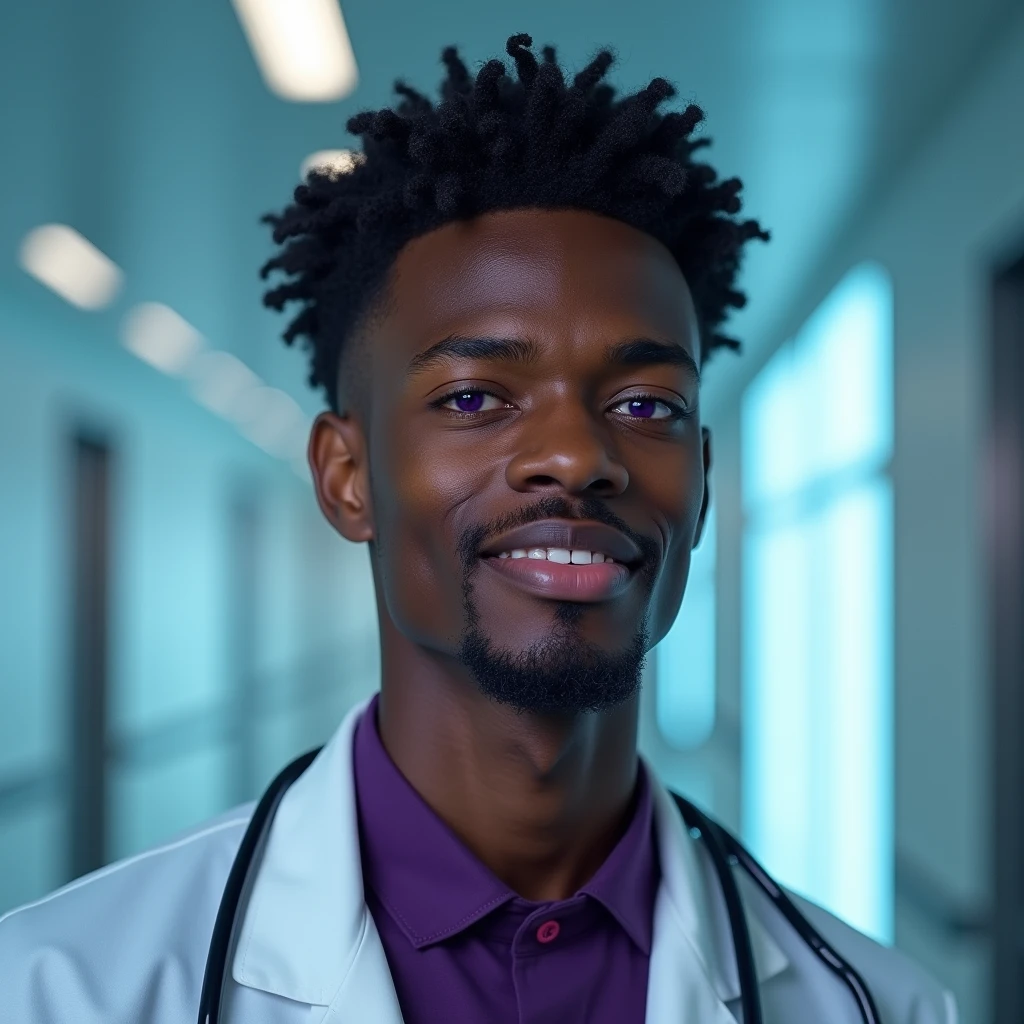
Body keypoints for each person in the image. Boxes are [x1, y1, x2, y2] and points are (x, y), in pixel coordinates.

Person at [0, 33, 955, 1024]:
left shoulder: (881, 1003)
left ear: (703, 482)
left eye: (643, 404)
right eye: (472, 397)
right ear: (347, 475)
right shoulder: (58, 986)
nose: (577, 456)